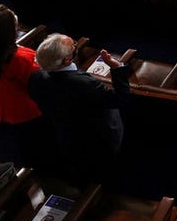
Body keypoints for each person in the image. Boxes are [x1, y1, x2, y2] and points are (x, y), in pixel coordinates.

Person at [28, 34, 130, 183]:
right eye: (73, 47)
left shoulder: (35, 78)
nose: (76, 46)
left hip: (67, 136)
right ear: (67, 60)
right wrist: (117, 68)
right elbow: (120, 100)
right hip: (99, 139)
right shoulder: (85, 85)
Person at [0, 6, 44, 165]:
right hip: (30, 111)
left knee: (23, 142)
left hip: (5, 107)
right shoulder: (20, 58)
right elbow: (41, 81)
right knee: (39, 145)